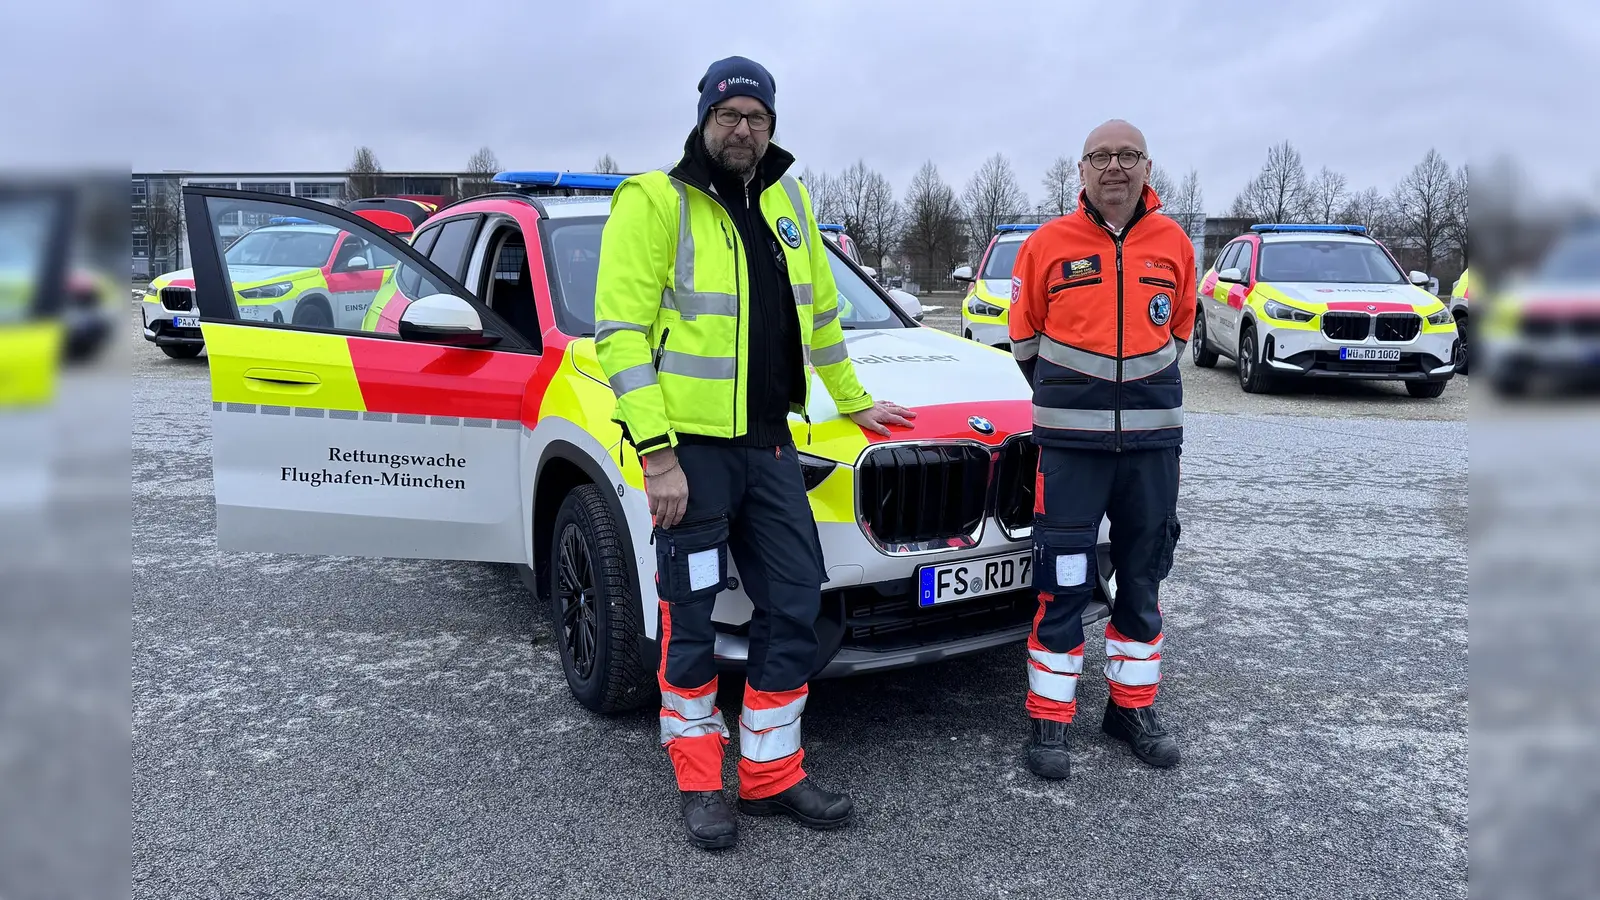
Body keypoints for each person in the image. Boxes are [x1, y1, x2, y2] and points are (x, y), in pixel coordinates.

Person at [593, 56, 915, 849]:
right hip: (692, 453)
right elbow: (621, 336)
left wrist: (853, 399)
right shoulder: (654, 201)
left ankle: (771, 774)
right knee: (692, 617)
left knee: (795, 602)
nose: (744, 129)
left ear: (772, 125)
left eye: (758, 117)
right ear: (704, 117)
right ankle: (702, 780)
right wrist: (657, 455)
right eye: (731, 114)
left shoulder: (790, 201)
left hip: (771, 445)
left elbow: (824, 316)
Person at [1006, 119, 1194, 780]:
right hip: (1069, 452)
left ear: (1147, 166)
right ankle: (1049, 720)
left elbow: (1179, 328)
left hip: (1152, 448)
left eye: (1127, 155)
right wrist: (1075, 397)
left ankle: (1130, 709)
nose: (1114, 167)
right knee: (1061, 581)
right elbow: (1024, 337)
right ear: (1081, 170)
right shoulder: (1047, 244)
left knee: (1141, 578)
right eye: (1101, 156)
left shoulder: (1174, 242)